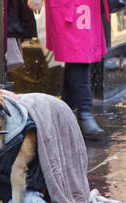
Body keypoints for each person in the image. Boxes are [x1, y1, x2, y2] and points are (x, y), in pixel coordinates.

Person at [31, 0, 108, 138]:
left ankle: (67, 111)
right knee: (78, 54)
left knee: (79, 55)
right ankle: (84, 112)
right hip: (65, 5)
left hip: (88, 6)